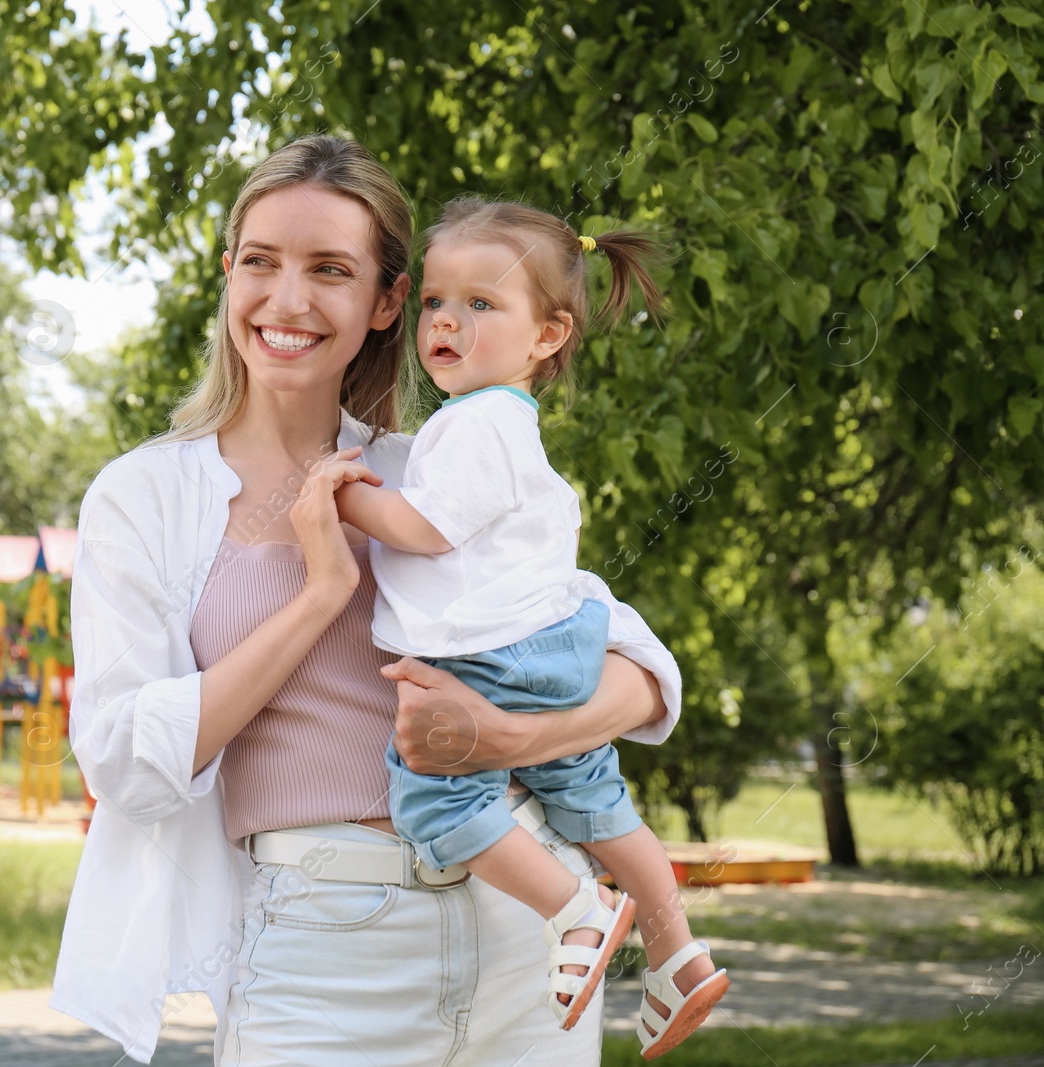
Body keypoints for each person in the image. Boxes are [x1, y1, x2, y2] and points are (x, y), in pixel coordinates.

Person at [50, 135, 684, 1067]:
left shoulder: (429, 472)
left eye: (330, 270)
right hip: (320, 950)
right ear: (228, 275)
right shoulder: (144, 497)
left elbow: (635, 666)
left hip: (526, 925)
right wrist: (320, 595)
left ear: (388, 301)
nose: (288, 299)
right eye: (260, 261)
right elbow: (125, 759)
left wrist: (509, 741)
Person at [332, 197, 727, 1059]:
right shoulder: (504, 426)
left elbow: (422, 529)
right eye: (437, 300)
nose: (446, 320)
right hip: (556, 646)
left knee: (437, 796)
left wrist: (346, 492)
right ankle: (676, 948)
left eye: (482, 304)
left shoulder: (473, 425)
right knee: (590, 794)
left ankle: (575, 909)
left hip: (497, 656)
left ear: (546, 336)